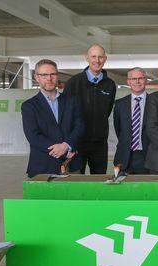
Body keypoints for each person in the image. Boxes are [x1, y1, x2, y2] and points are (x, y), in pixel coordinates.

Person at [21, 59, 84, 178]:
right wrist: (60, 150)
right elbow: (33, 136)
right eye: (44, 75)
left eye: (52, 74)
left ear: (57, 76)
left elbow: (79, 126)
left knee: (75, 196)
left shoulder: (72, 101)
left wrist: (66, 145)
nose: (49, 78)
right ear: (36, 77)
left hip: (72, 165)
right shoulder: (29, 106)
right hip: (43, 166)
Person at [64, 44, 116, 174]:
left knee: (99, 182)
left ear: (105, 59)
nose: (97, 60)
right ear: (87, 58)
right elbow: (66, 114)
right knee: (75, 181)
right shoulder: (73, 82)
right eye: (93, 56)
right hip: (77, 142)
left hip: (100, 143)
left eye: (100, 57)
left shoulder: (110, 85)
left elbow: (107, 111)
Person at [113, 67, 151, 174]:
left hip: (148, 156)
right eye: (133, 79)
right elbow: (119, 130)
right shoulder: (120, 104)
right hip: (124, 156)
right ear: (128, 81)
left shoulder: (155, 102)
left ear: (145, 80)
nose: (137, 82)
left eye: (140, 78)